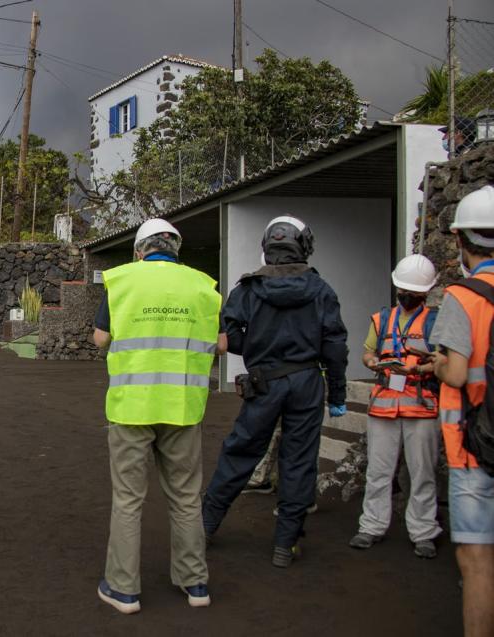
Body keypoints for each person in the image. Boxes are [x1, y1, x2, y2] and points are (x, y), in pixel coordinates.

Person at [92, 218, 226, 614]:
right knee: (186, 498)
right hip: (183, 407)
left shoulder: (120, 281)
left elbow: (101, 339)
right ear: (176, 249)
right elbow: (220, 345)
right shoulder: (204, 286)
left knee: (129, 500)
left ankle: (123, 590)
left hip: (131, 407)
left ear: (139, 250)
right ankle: (196, 584)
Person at [202, 216, 348, 568]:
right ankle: (285, 543)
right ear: (304, 246)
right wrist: (338, 395)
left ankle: (205, 525)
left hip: (264, 382)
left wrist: (256, 345)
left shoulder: (249, 289)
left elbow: (226, 331)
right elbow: (335, 345)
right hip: (307, 382)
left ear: (267, 248)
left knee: (241, 451)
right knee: (298, 461)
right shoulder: (321, 289)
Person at [430, 184, 494, 637]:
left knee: (476, 561)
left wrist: (435, 363)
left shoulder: (463, 296)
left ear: (459, 240)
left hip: (473, 445)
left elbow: (455, 374)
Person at [349, 254, 442, 559]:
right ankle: (372, 526)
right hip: (385, 404)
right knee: (378, 471)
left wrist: (419, 370)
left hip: (421, 405)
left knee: (422, 471)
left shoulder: (435, 321)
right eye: (404, 291)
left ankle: (424, 531)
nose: (406, 296)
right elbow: (366, 352)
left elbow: (445, 363)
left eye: (413, 293)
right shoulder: (382, 318)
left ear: (425, 293)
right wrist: (373, 362)